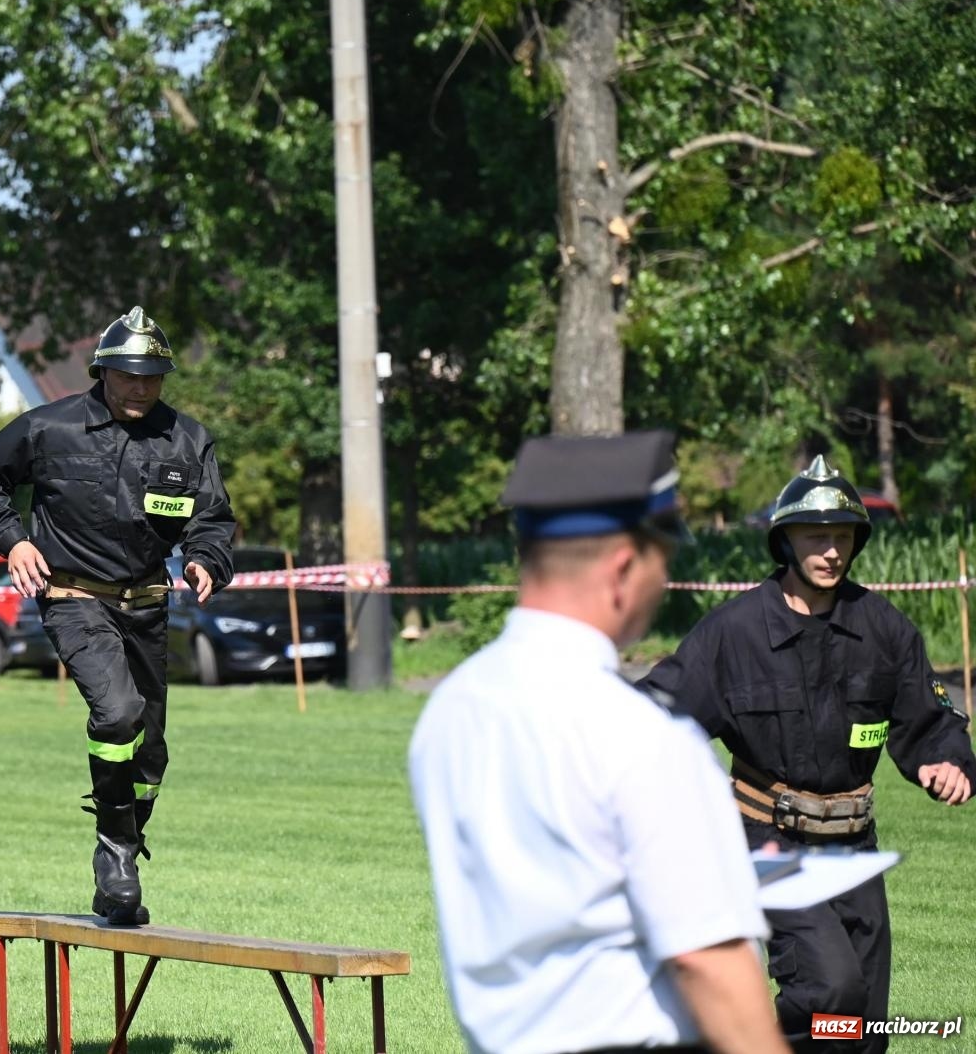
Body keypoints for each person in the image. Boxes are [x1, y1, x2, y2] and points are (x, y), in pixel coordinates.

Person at [410, 431, 788, 1054]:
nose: (664, 582)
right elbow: (707, 959)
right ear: (623, 569)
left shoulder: (452, 709)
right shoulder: (639, 732)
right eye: (662, 560)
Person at [643, 456, 975, 1050]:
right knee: (830, 990)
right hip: (766, 843)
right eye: (816, 536)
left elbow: (930, 720)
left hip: (854, 845)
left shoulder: (884, 628)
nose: (831, 551)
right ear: (785, 540)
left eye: (842, 537)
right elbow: (654, 717)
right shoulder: (734, 632)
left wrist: (945, 758)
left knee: (865, 1027)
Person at [0, 306, 235, 926]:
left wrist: (205, 559)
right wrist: (14, 539)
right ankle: (114, 852)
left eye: (151, 377)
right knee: (117, 713)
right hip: (73, 598)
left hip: (147, 605)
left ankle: (123, 857)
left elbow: (212, 519)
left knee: (152, 757)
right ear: (102, 372)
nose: (140, 387)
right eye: (129, 375)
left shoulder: (186, 439)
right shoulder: (48, 428)